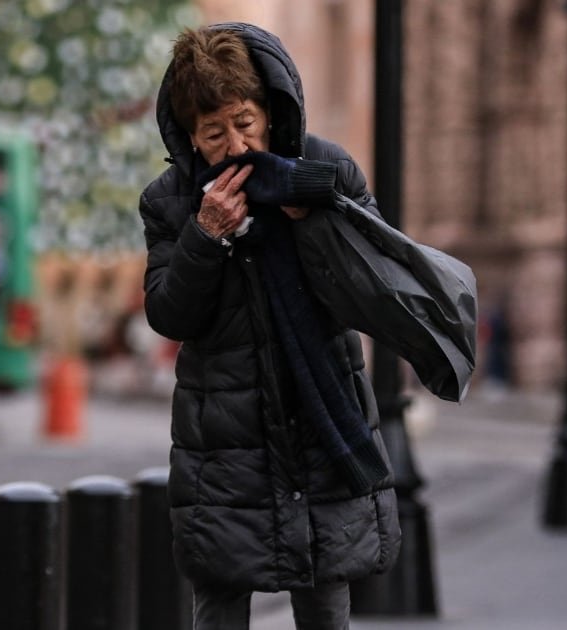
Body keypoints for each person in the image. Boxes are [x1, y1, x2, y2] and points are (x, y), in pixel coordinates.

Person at [138, 23, 400, 629]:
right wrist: (205, 236)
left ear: (270, 111)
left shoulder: (326, 170)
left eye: (245, 122)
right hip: (224, 444)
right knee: (221, 601)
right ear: (190, 138)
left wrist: (314, 221)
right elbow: (169, 314)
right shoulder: (169, 201)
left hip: (322, 425)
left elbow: (375, 286)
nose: (236, 145)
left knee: (326, 601)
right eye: (214, 134)